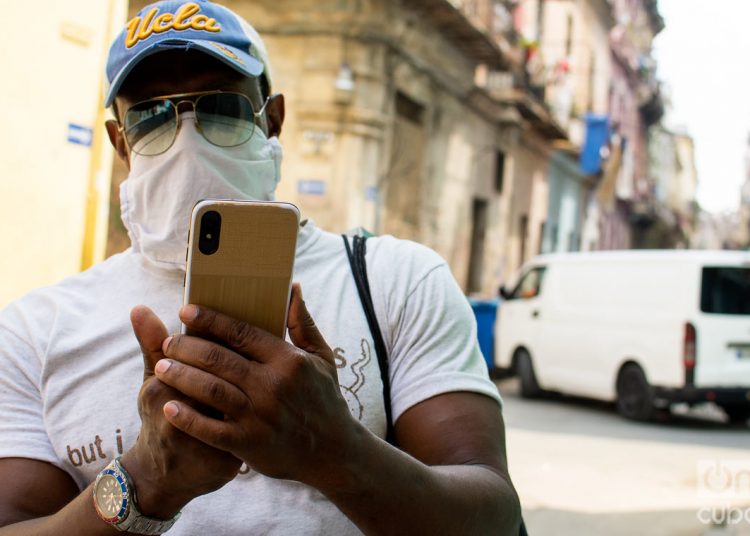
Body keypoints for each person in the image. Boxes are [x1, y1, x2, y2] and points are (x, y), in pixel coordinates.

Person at [0, 1, 521, 534]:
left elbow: (494, 518)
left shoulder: (398, 282)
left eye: (221, 107)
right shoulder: (35, 332)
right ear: (120, 144)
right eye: (150, 116)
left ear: (271, 120)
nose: (187, 140)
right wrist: (147, 481)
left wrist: (334, 450)